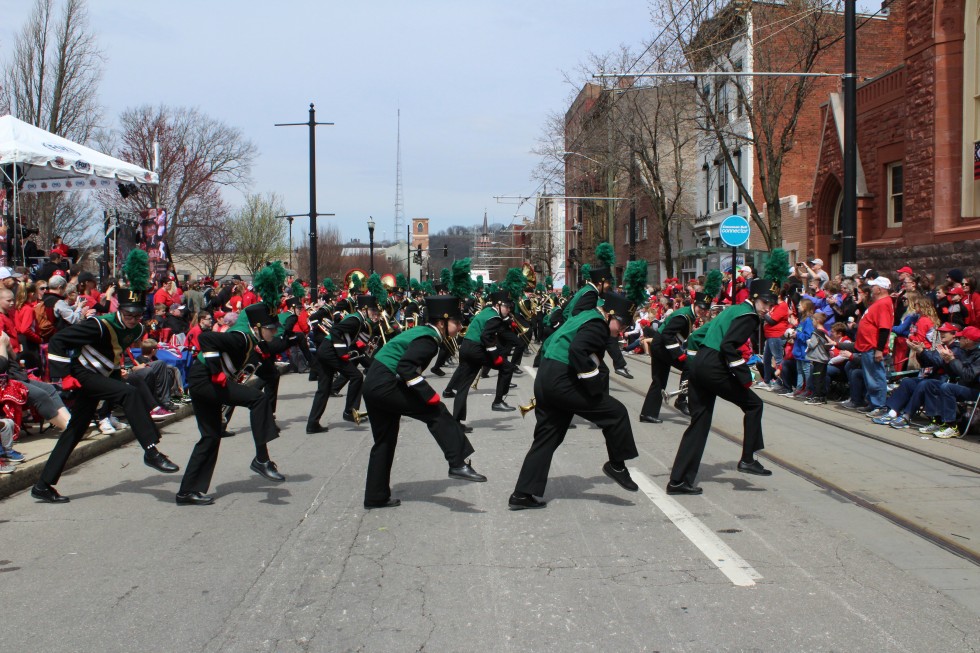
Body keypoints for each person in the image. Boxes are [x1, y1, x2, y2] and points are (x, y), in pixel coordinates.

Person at [31, 250, 179, 504]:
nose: (133, 320)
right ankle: (151, 450)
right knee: (129, 393)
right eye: (128, 314)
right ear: (119, 309)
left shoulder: (139, 327)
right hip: (83, 374)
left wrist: (117, 368)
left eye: (137, 315)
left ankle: (43, 485)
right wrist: (63, 376)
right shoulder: (98, 324)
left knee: (75, 430)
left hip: (102, 374)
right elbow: (58, 340)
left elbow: (115, 350)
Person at [509, 292, 640, 510]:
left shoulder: (585, 315)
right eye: (623, 325)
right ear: (610, 315)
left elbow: (553, 339)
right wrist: (594, 385)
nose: (623, 331)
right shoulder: (598, 325)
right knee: (616, 412)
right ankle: (617, 465)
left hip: (546, 378)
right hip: (561, 381)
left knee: (548, 436)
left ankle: (522, 494)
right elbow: (578, 350)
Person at [363, 295, 487, 509]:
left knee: (384, 441)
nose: (459, 327)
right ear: (442, 322)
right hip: (385, 385)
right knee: (437, 412)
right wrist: (429, 395)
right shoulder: (429, 339)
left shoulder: (422, 333)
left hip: (374, 384)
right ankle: (457, 463)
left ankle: (376, 496)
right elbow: (406, 368)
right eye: (456, 323)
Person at [666, 279, 777, 496]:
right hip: (714, 367)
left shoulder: (731, 310)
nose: (767, 308)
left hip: (700, 364)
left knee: (699, 423)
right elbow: (728, 346)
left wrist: (692, 362)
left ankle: (678, 481)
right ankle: (747, 459)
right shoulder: (750, 316)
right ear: (754, 299)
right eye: (765, 302)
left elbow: (697, 336)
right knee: (754, 405)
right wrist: (745, 376)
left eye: (770, 304)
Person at [175, 294, 288, 505]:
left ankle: (187, 492)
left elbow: (265, 369)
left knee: (210, 437)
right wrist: (216, 371)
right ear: (257, 326)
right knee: (258, 399)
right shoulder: (242, 337)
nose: (274, 331)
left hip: (204, 383)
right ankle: (261, 459)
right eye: (270, 328)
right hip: (204, 382)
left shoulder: (252, 341)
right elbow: (206, 339)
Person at [442, 290, 515, 429]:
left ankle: (456, 423)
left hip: (466, 347)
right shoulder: (494, 317)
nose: (509, 309)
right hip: (476, 349)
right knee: (507, 367)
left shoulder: (487, 312)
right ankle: (498, 401)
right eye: (506, 306)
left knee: (463, 387)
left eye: (509, 307)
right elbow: (486, 337)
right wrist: (495, 358)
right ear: (498, 305)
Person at [306, 294, 378, 432]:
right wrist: (341, 353)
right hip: (330, 352)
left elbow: (348, 337)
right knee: (356, 376)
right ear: (364, 309)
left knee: (324, 389)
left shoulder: (358, 320)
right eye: (372, 310)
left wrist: (360, 348)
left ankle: (312, 424)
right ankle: (350, 412)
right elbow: (334, 331)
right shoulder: (355, 320)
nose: (374, 313)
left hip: (326, 351)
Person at [639, 291, 711, 423]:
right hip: (662, 347)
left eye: (705, 309)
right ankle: (681, 400)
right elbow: (667, 335)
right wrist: (679, 354)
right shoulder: (683, 316)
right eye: (701, 307)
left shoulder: (689, 314)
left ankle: (647, 413)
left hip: (660, 346)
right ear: (695, 304)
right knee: (690, 367)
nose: (702, 311)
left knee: (659, 380)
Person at [855, 277, 896, 417]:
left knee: (876, 377)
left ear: (880, 289)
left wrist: (879, 349)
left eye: (873, 287)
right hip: (867, 346)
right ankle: (873, 403)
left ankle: (879, 405)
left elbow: (884, 328)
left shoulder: (884, 303)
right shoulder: (879, 303)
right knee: (870, 377)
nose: (871, 289)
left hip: (873, 347)